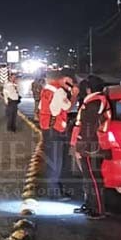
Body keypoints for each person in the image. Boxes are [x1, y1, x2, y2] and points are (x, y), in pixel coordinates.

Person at [38, 69, 79, 200]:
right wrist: (74, 95)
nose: (72, 85)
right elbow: (68, 107)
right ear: (66, 79)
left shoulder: (47, 89)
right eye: (71, 82)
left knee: (52, 160)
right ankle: (54, 193)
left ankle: (55, 190)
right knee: (56, 162)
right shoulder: (59, 91)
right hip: (54, 129)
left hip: (47, 128)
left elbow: (41, 108)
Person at [72, 91, 110, 219]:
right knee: (89, 178)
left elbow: (87, 127)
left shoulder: (94, 103)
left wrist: (81, 145)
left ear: (88, 90)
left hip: (90, 146)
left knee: (93, 178)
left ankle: (98, 210)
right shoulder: (99, 101)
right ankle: (90, 205)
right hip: (93, 144)